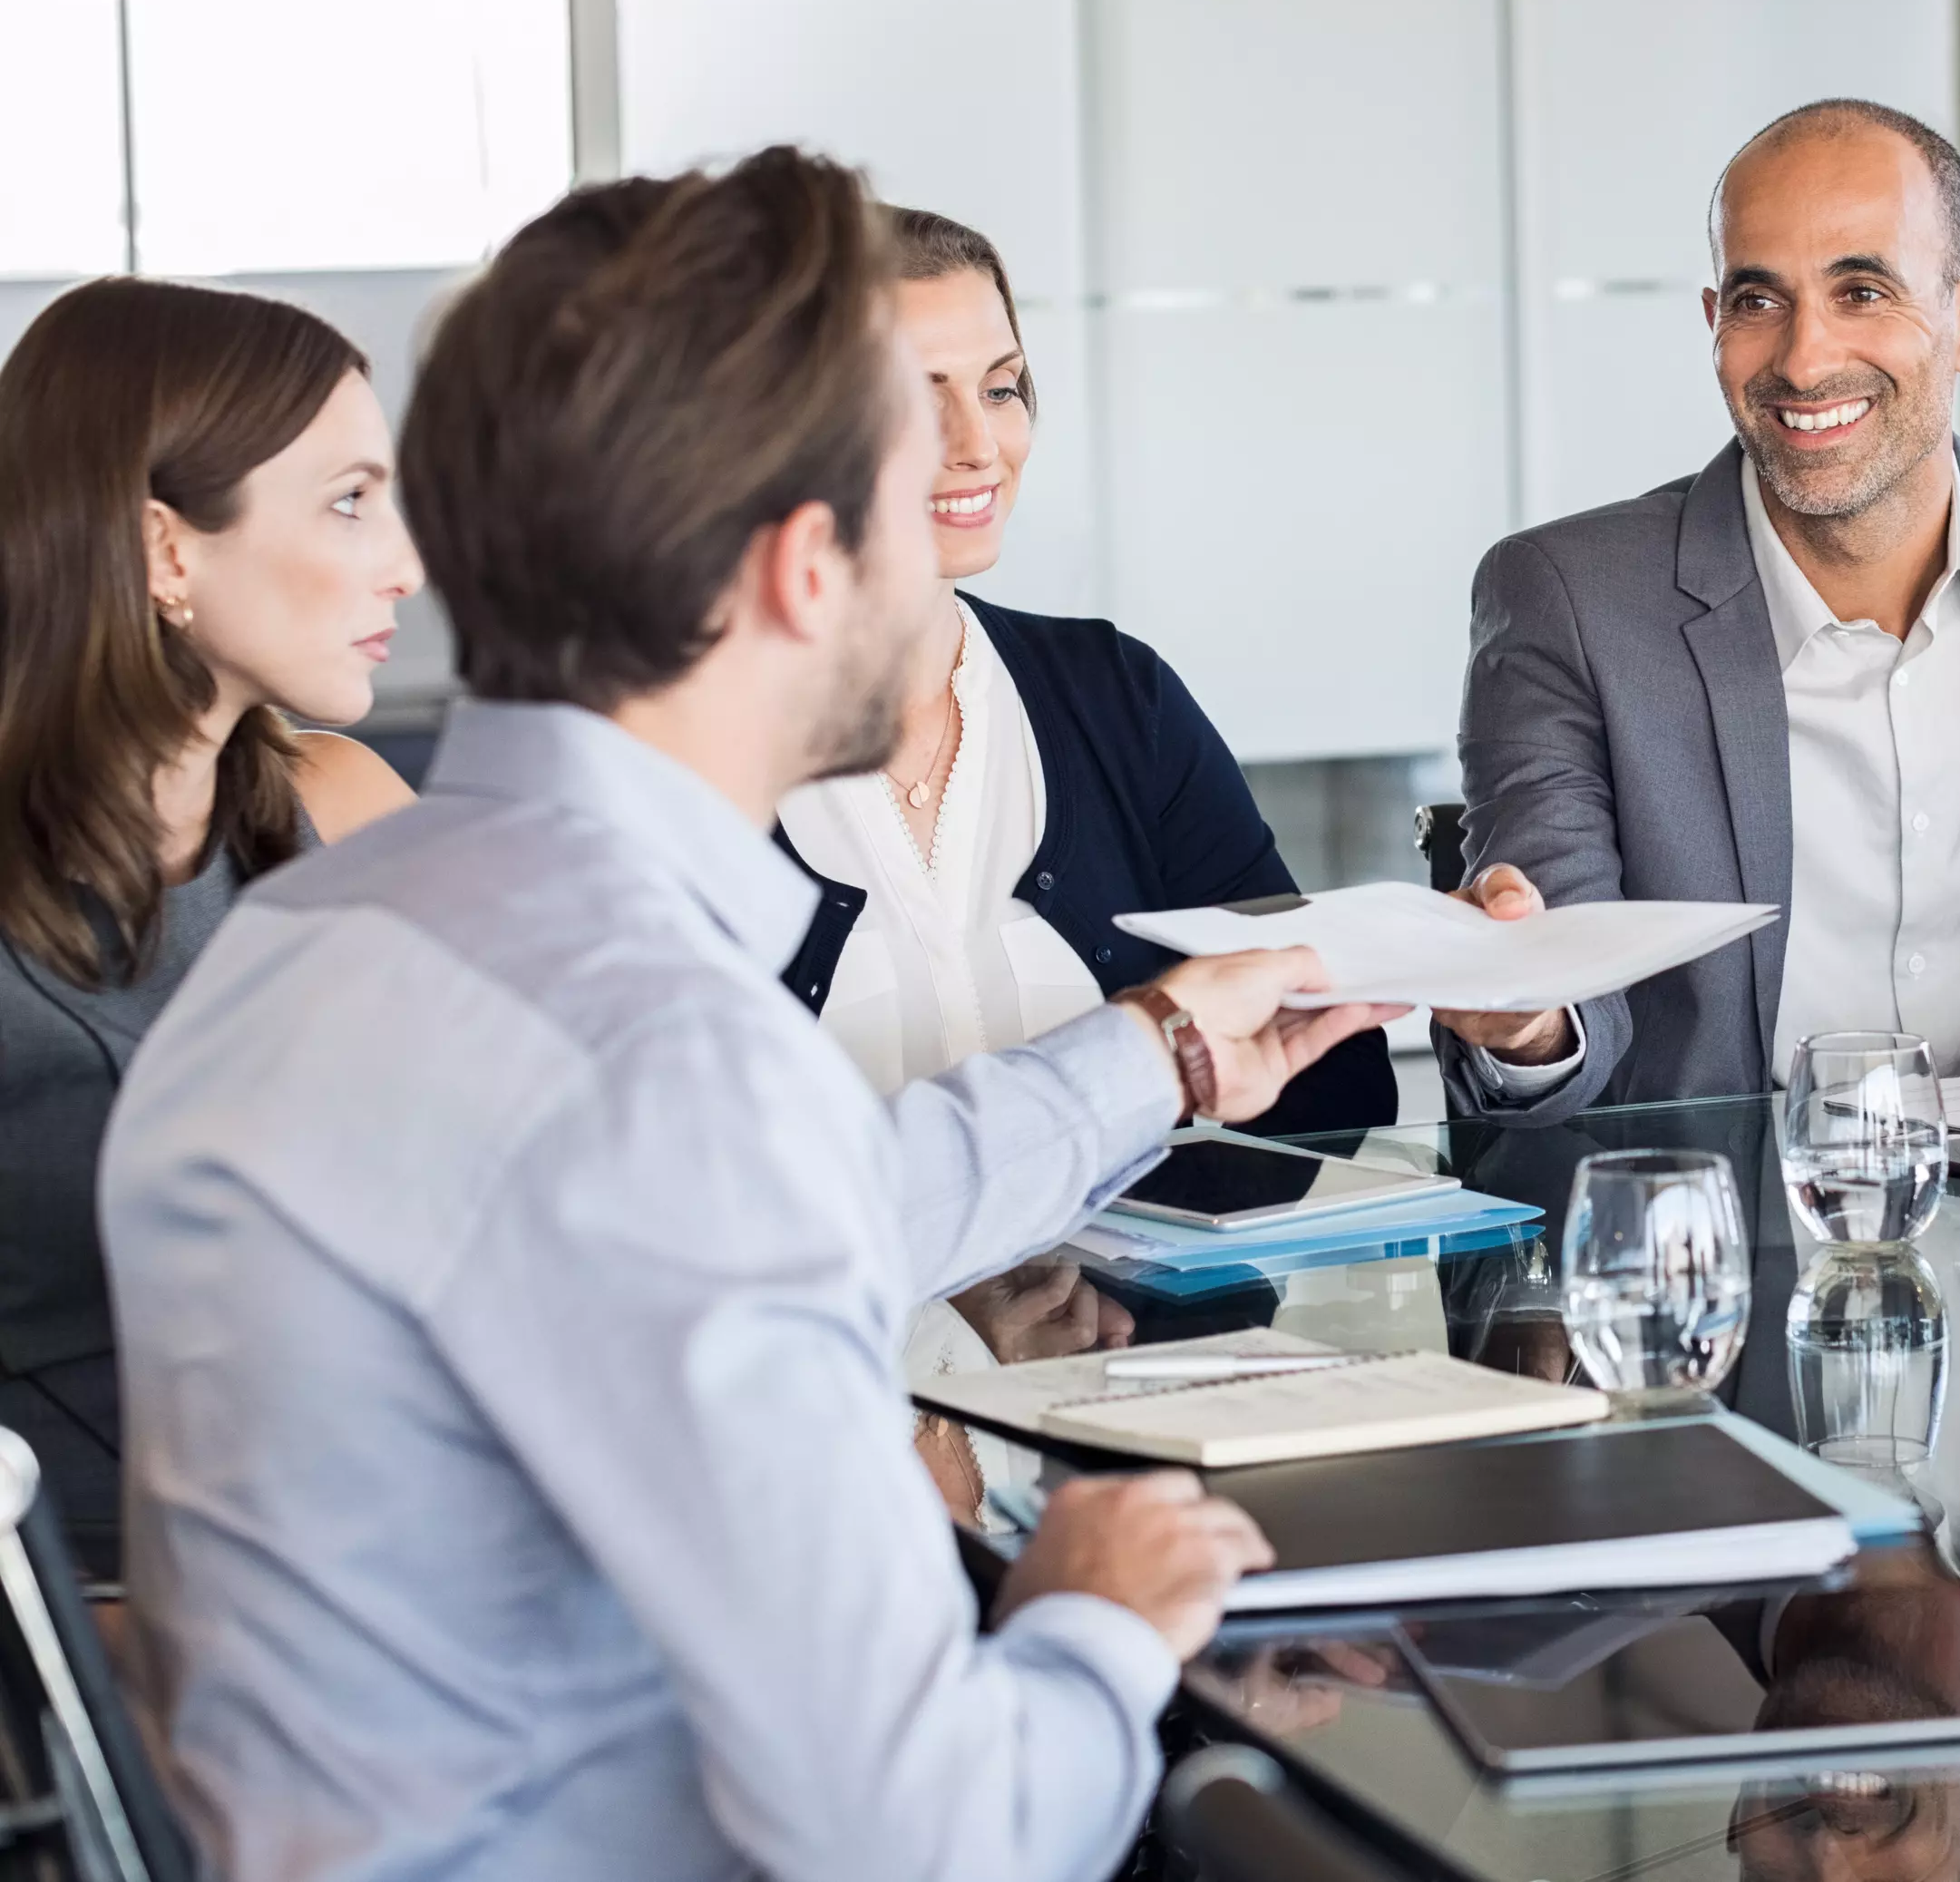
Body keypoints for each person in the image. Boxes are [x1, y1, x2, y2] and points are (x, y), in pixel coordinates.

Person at [100, 150, 1399, 1881]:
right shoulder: (657, 1056)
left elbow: (794, 1206)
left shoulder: (322, 931)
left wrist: (1154, 1052)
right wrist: (1095, 1618)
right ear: (805, 568)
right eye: (898, 478)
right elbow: (934, 1840)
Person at [1435, 100, 1960, 1119]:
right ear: (1715, 326)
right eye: (1758, 301)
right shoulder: (1569, 599)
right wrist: (1530, 1018)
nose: (1801, 359)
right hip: (1738, 1234)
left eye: (1862, 290)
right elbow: (1563, 984)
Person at [768, 207, 1393, 1519]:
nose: (978, 444)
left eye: (1001, 386)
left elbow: (1337, 1084)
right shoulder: (704, 750)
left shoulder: (1113, 696)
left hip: (1122, 1437)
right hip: (818, 1461)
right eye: (912, 396)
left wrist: (1341, 998)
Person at [0, 278, 420, 1580]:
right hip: (75, 1642)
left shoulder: (349, 815)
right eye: (349, 501)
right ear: (167, 551)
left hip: (366, 1563)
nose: (402, 562)